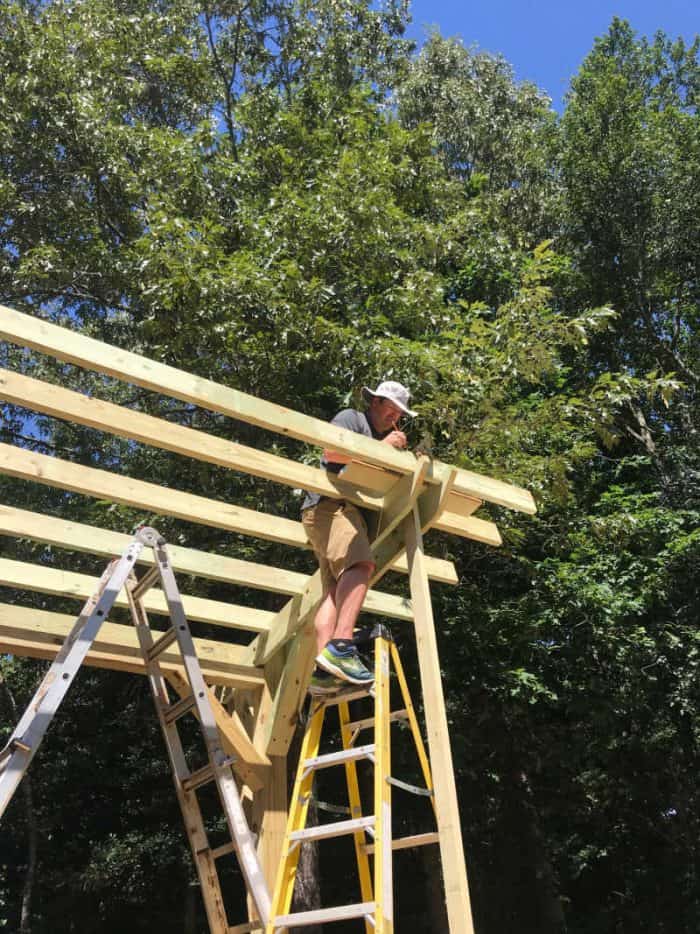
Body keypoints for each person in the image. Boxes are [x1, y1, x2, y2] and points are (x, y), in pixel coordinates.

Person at [301, 381, 417, 695]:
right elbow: (331, 451)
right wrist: (385, 449)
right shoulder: (352, 419)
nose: (393, 416)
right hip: (331, 505)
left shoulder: (386, 438)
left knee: (333, 591)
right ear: (375, 402)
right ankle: (341, 646)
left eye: (399, 413)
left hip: (331, 514)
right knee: (362, 565)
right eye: (389, 408)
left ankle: (324, 669)